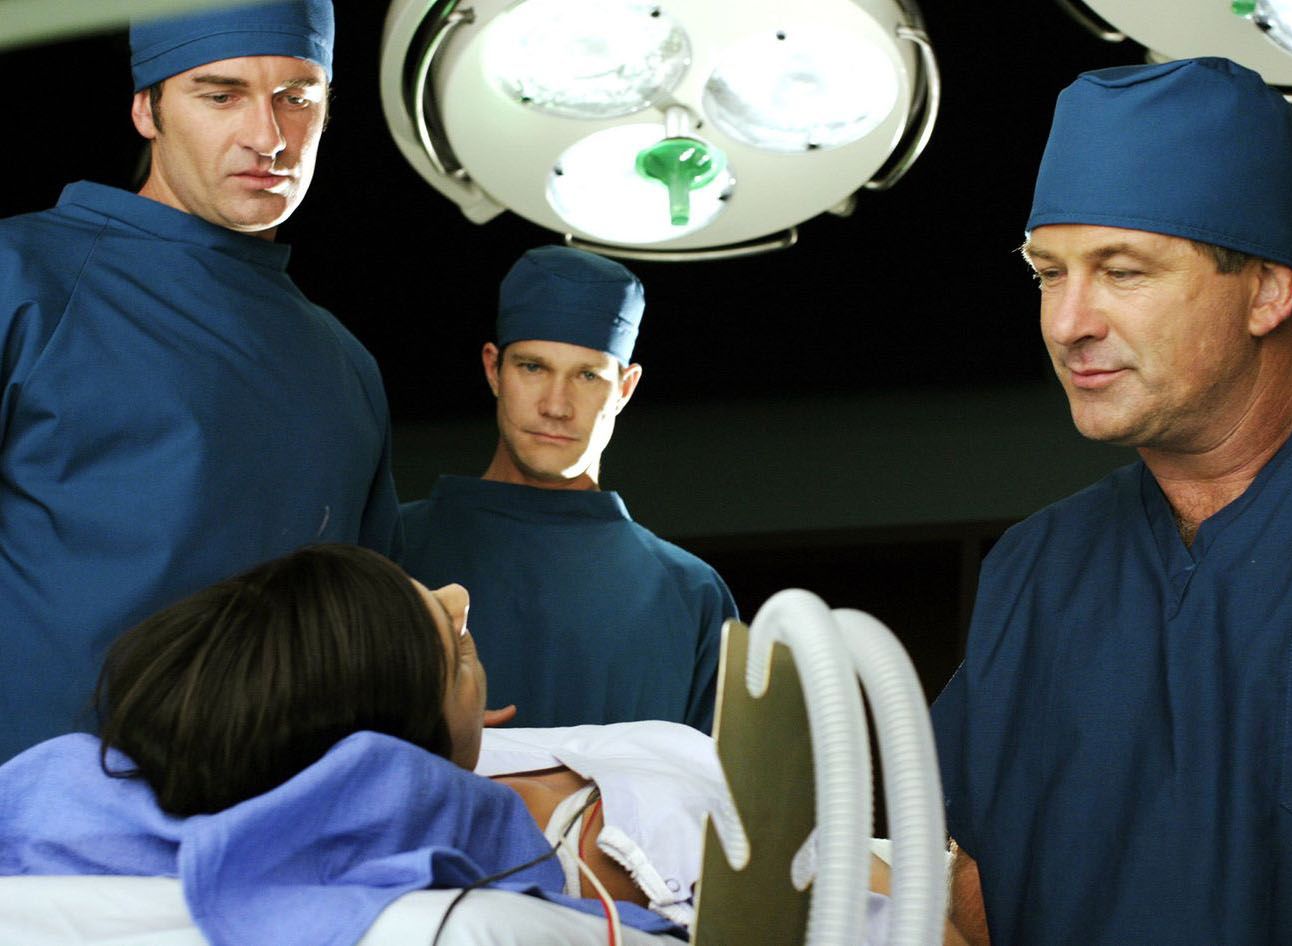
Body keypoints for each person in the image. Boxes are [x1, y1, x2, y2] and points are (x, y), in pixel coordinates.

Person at [930, 57, 1292, 945]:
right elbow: (982, 880)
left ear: (1266, 291)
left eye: (1122, 272)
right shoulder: (1039, 571)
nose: (1067, 323)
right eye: (1047, 274)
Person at [0, 544, 893, 946]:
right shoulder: (489, 900)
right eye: (457, 650)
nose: (461, 597)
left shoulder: (649, 746)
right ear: (394, 767)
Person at [0, 0, 400, 761]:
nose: (268, 137)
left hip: (278, 813)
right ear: (146, 109)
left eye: (297, 99)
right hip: (44, 809)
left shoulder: (343, 363)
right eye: (221, 96)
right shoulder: (22, 278)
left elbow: (366, 627)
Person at [400, 245, 737, 733]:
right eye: (533, 367)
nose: (556, 406)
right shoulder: (392, 550)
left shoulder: (689, 594)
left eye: (587, 375)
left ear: (624, 389)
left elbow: (709, 777)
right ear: (494, 370)